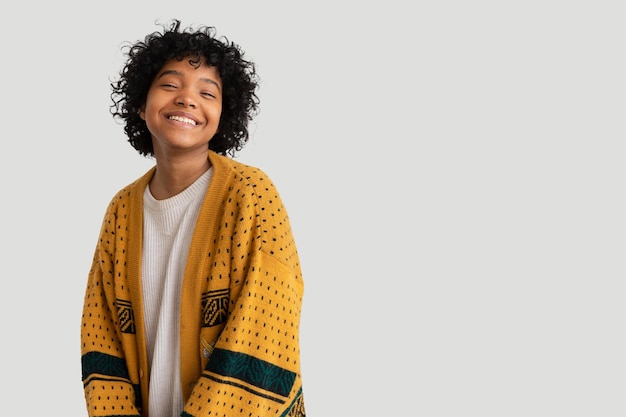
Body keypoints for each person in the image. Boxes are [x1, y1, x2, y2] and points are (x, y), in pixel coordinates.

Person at [80, 19, 306, 417]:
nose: (187, 99)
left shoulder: (251, 194)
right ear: (140, 102)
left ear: (222, 115)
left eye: (207, 92)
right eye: (170, 85)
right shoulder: (121, 209)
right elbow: (101, 329)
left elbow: (266, 320)